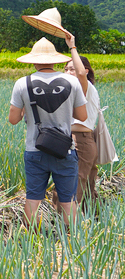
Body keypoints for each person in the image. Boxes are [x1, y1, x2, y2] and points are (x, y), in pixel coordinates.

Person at [9, 37, 87, 229]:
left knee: (33, 198)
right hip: (64, 150)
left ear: (34, 60)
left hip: (35, 149)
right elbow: (82, 116)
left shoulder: (22, 83)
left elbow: (13, 119)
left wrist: (28, 108)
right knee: (69, 201)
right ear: (55, 60)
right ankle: (72, 241)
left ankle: (32, 242)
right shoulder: (72, 82)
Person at [60, 36, 99, 207]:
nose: (69, 72)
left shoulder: (85, 87)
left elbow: (80, 73)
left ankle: (66, 226)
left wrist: (72, 47)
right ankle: (92, 223)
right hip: (84, 141)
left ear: (86, 71)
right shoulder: (76, 91)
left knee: (72, 185)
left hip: (80, 141)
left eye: (72, 69)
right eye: (66, 69)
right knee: (87, 186)